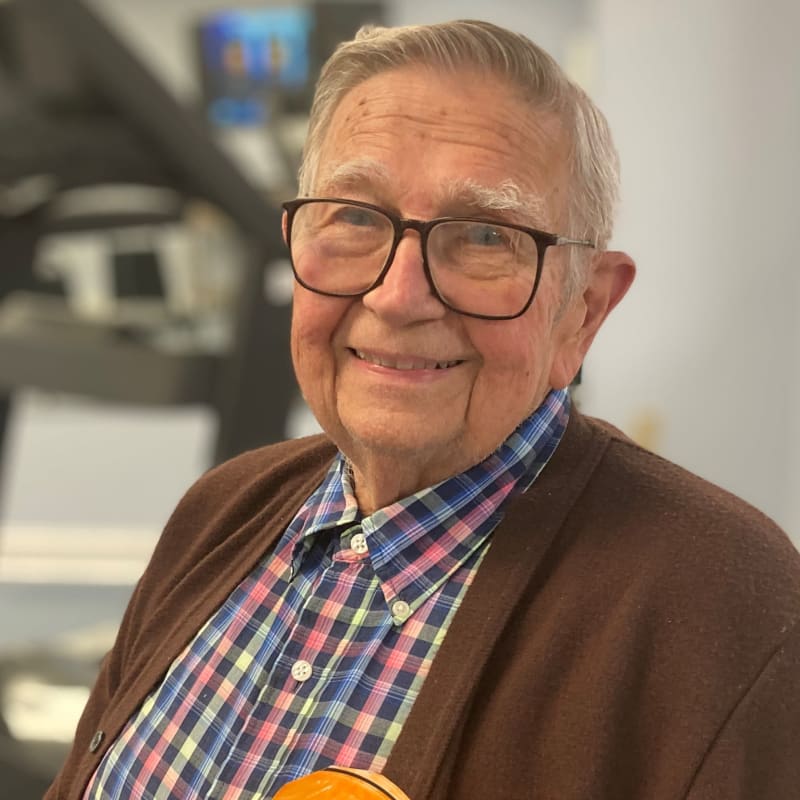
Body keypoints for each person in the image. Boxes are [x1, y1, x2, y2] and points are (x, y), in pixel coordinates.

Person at [47, 19, 800, 800]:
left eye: (483, 235)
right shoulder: (221, 512)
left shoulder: (726, 610)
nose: (398, 295)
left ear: (583, 312)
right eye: (355, 217)